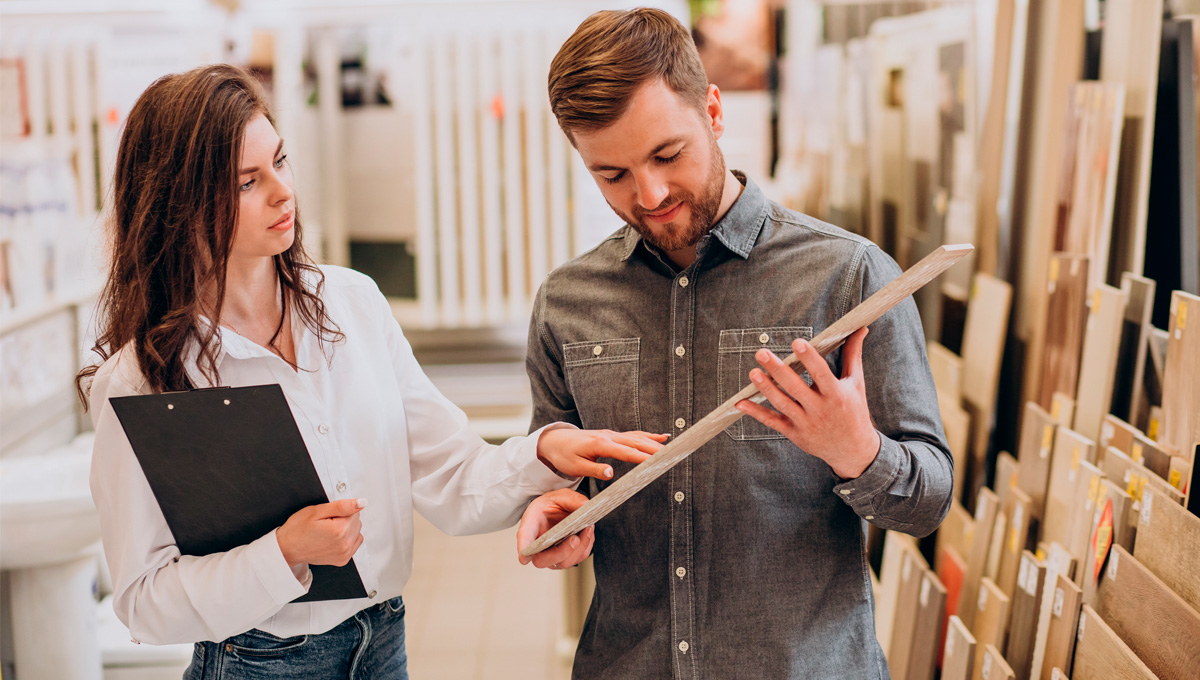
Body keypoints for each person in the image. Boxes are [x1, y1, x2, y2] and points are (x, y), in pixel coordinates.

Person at [77, 64, 664, 679]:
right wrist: (281, 555)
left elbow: (451, 474)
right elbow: (144, 603)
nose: (283, 192)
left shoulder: (352, 304)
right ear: (180, 204)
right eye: (248, 182)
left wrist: (546, 453)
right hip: (256, 663)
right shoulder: (145, 380)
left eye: (281, 161)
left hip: (382, 644)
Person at [514, 9, 953, 679]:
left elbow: (927, 504)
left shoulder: (849, 279)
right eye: (613, 176)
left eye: (667, 155)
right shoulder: (567, 304)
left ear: (713, 110)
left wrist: (855, 451)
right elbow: (557, 475)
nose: (650, 194)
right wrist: (550, 512)